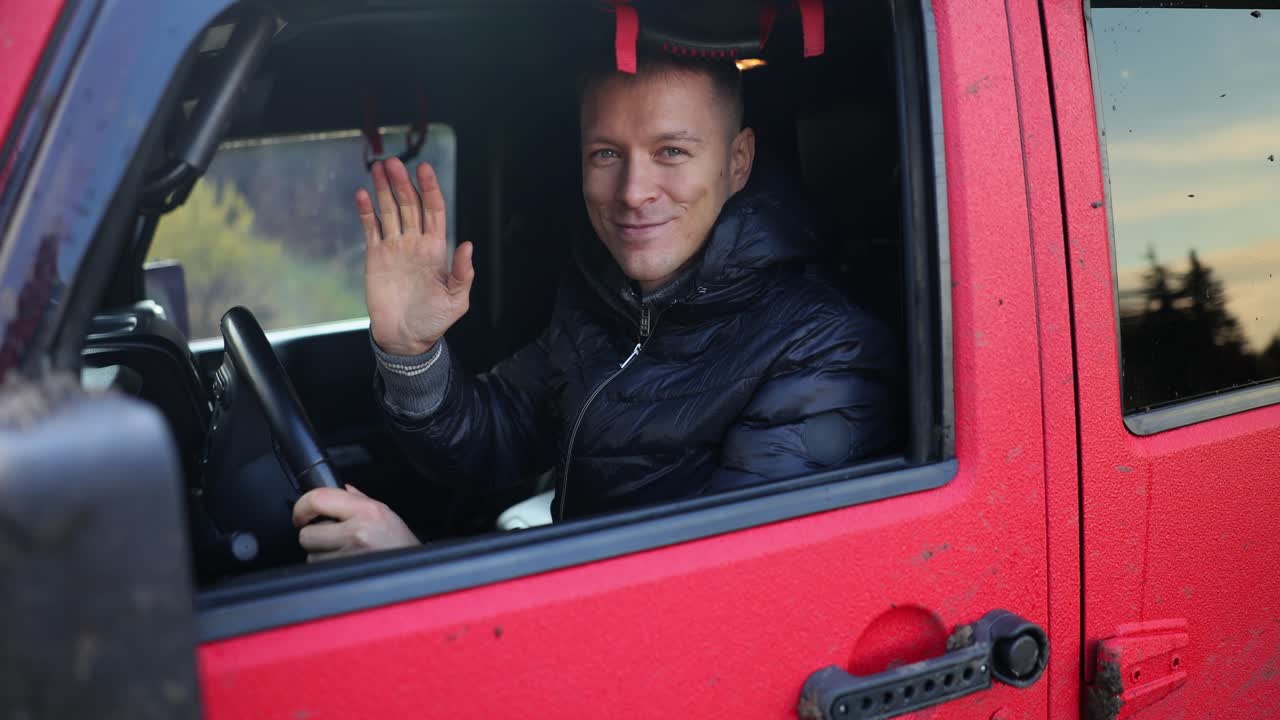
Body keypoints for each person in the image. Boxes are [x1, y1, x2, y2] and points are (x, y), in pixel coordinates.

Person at [292, 52, 898, 561]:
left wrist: (411, 572)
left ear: (737, 162)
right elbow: (489, 441)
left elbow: (713, 612)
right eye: (606, 154)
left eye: (672, 152)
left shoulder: (824, 348)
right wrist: (410, 352)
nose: (633, 192)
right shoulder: (605, 295)